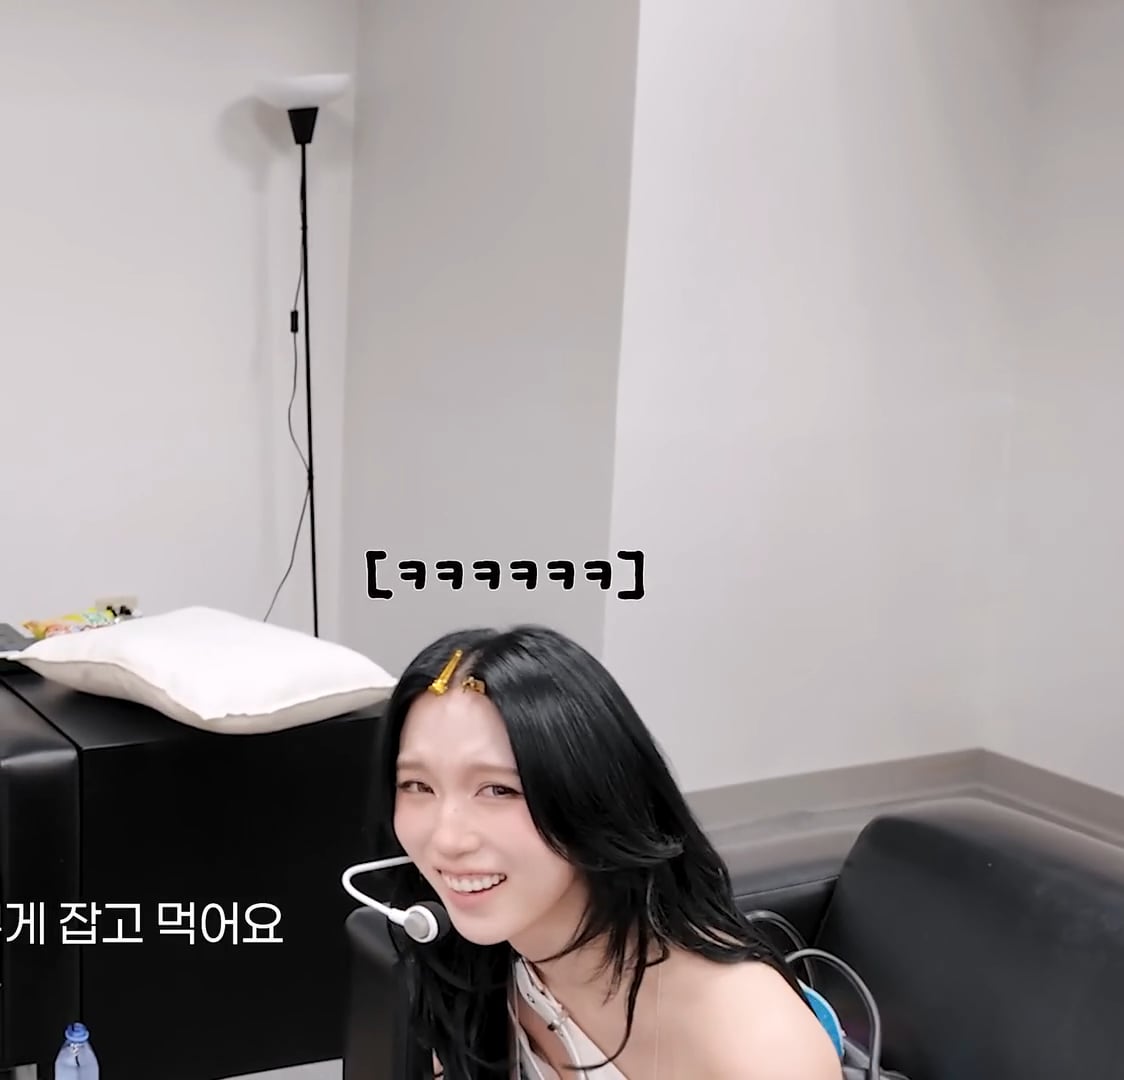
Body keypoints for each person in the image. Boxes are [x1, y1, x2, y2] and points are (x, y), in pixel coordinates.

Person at [368, 624, 843, 1079]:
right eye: (417, 786)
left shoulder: (758, 1047)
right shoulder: (470, 954)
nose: (447, 840)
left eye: (498, 790)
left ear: (593, 796)